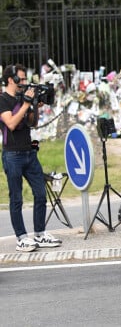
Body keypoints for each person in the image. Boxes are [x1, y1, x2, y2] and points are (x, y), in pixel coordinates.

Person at [0, 64, 62, 252]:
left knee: (41, 194)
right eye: (22, 79)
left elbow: (31, 123)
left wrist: (35, 105)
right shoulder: (2, 100)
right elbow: (10, 123)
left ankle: (40, 234)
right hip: (12, 154)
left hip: (29, 152)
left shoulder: (23, 98)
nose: (25, 83)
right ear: (11, 80)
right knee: (16, 198)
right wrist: (26, 103)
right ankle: (21, 238)